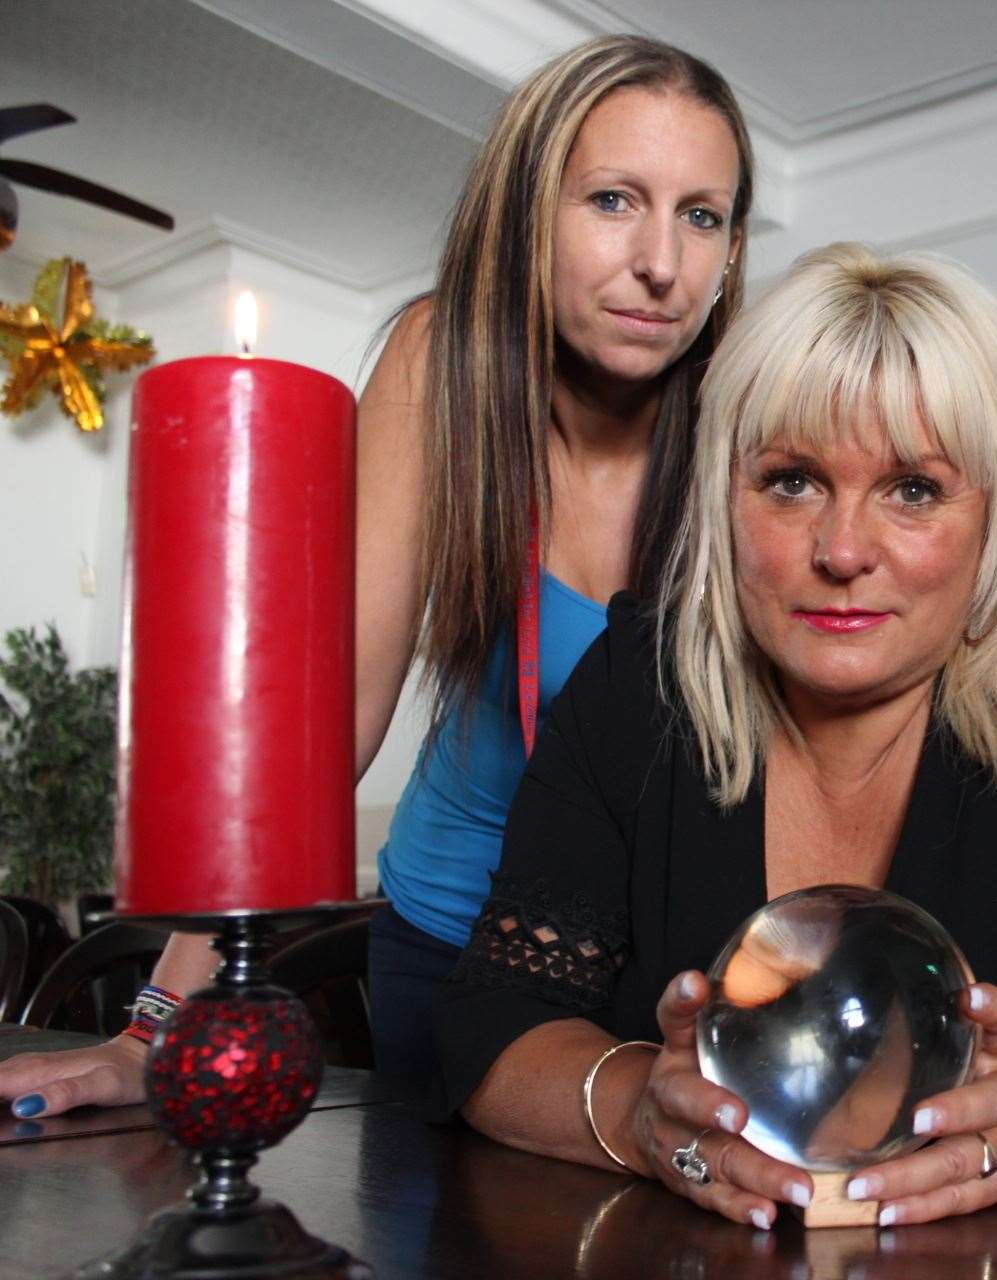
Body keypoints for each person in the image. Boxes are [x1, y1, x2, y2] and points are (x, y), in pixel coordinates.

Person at [0, 34, 753, 1116]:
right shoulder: (442, 362)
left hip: (676, 976)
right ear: (525, 212)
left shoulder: (757, 410)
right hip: (452, 948)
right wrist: (157, 1023)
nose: (662, 263)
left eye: (701, 214)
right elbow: (328, 717)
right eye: (612, 200)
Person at [436, 243, 997, 1231]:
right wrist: (641, 1109)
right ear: (726, 500)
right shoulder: (639, 683)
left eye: (914, 490)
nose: (843, 550)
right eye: (793, 481)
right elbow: (489, 1024)